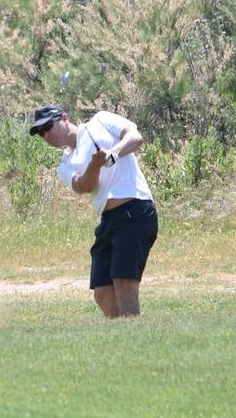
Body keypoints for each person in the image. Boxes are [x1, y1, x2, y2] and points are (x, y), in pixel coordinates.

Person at [29, 104, 158, 318]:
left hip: (134, 210)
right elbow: (83, 186)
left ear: (64, 118)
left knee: (124, 284)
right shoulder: (65, 164)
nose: (46, 135)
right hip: (109, 220)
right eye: (41, 134)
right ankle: (126, 338)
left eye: (48, 127)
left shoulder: (100, 121)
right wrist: (95, 164)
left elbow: (135, 138)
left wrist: (113, 153)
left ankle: (132, 338)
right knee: (102, 291)